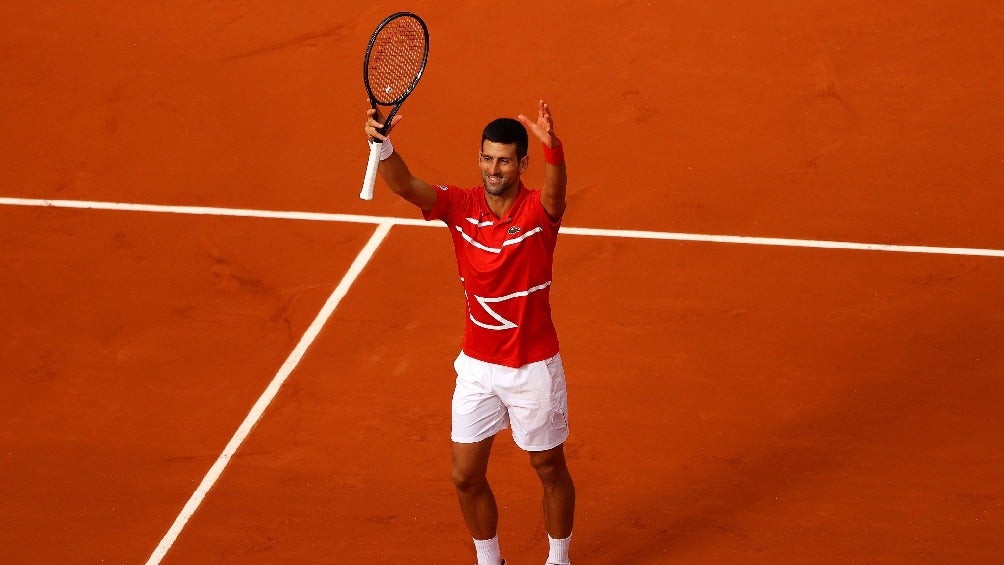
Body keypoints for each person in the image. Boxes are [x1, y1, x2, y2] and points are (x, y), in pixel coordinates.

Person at [363, 100, 575, 565]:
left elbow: (557, 195)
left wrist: (554, 150)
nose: (492, 168)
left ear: (522, 164)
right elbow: (406, 185)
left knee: (548, 466)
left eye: (503, 160)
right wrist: (383, 145)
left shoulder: (538, 213)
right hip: (478, 368)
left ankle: (559, 559)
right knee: (464, 475)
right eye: (486, 157)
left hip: (532, 366)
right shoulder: (460, 205)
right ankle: (489, 560)